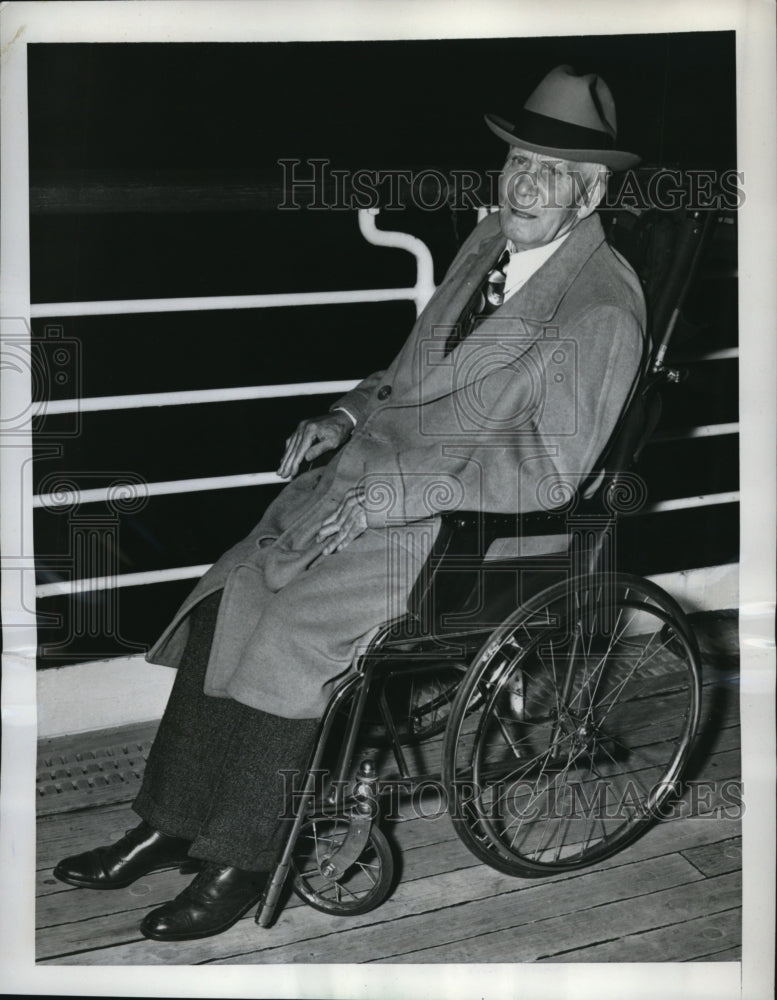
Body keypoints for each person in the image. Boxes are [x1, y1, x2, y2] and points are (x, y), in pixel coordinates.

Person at [53, 65, 646, 941]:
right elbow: (406, 375)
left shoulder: (601, 307)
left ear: (589, 191)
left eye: (550, 171)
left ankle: (241, 857)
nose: (524, 181)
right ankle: (169, 819)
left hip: (464, 530)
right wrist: (344, 414)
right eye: (518, 159)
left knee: (294, 635)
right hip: (368, 484)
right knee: (235, 591)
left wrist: (397, 494)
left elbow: (551, 472)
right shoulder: (488, 241)